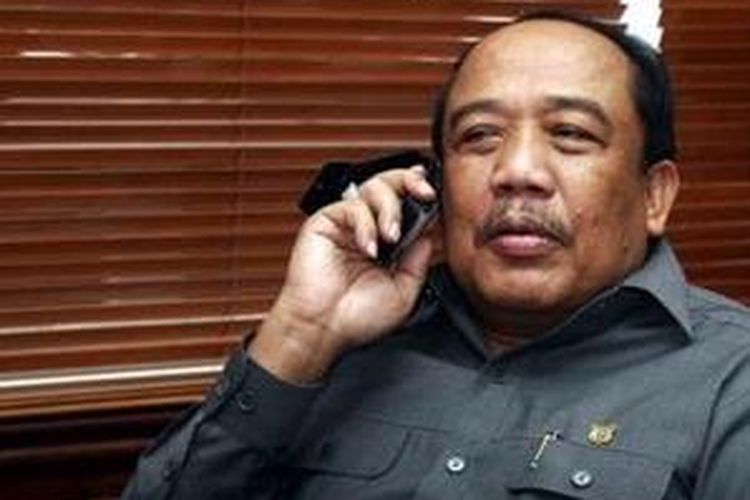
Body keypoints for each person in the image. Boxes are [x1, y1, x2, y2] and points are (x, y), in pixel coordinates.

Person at [123, 10, 750, 499]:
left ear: (654, 195)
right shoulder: (346, 350)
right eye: (479, 137)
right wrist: (301, 334)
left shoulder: (731, 383)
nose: (516, 171)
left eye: (570, 134)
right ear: (435, 182)